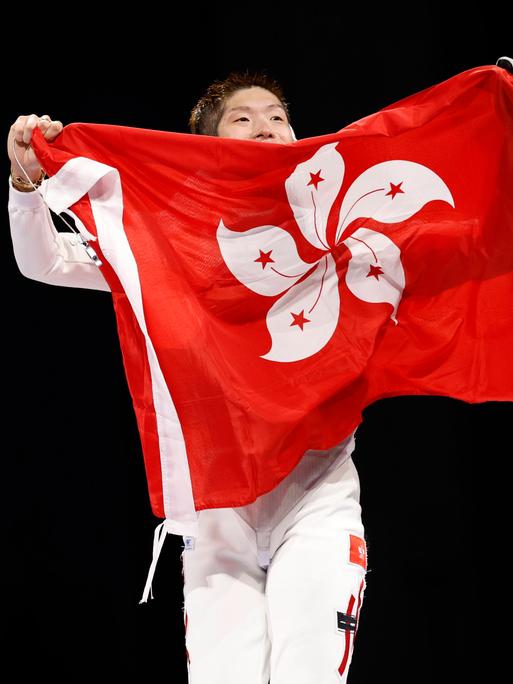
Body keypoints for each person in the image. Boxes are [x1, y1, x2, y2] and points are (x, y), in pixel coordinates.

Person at [6, 70, 368, 684]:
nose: (266, 126)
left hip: (316, 500)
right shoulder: (165, 240)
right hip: (216, 517)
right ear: (209, 146)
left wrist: (487, 123)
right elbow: (43, 261)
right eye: (244, 118)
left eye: (277, 116)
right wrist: (25, 184)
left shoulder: (342, 229)